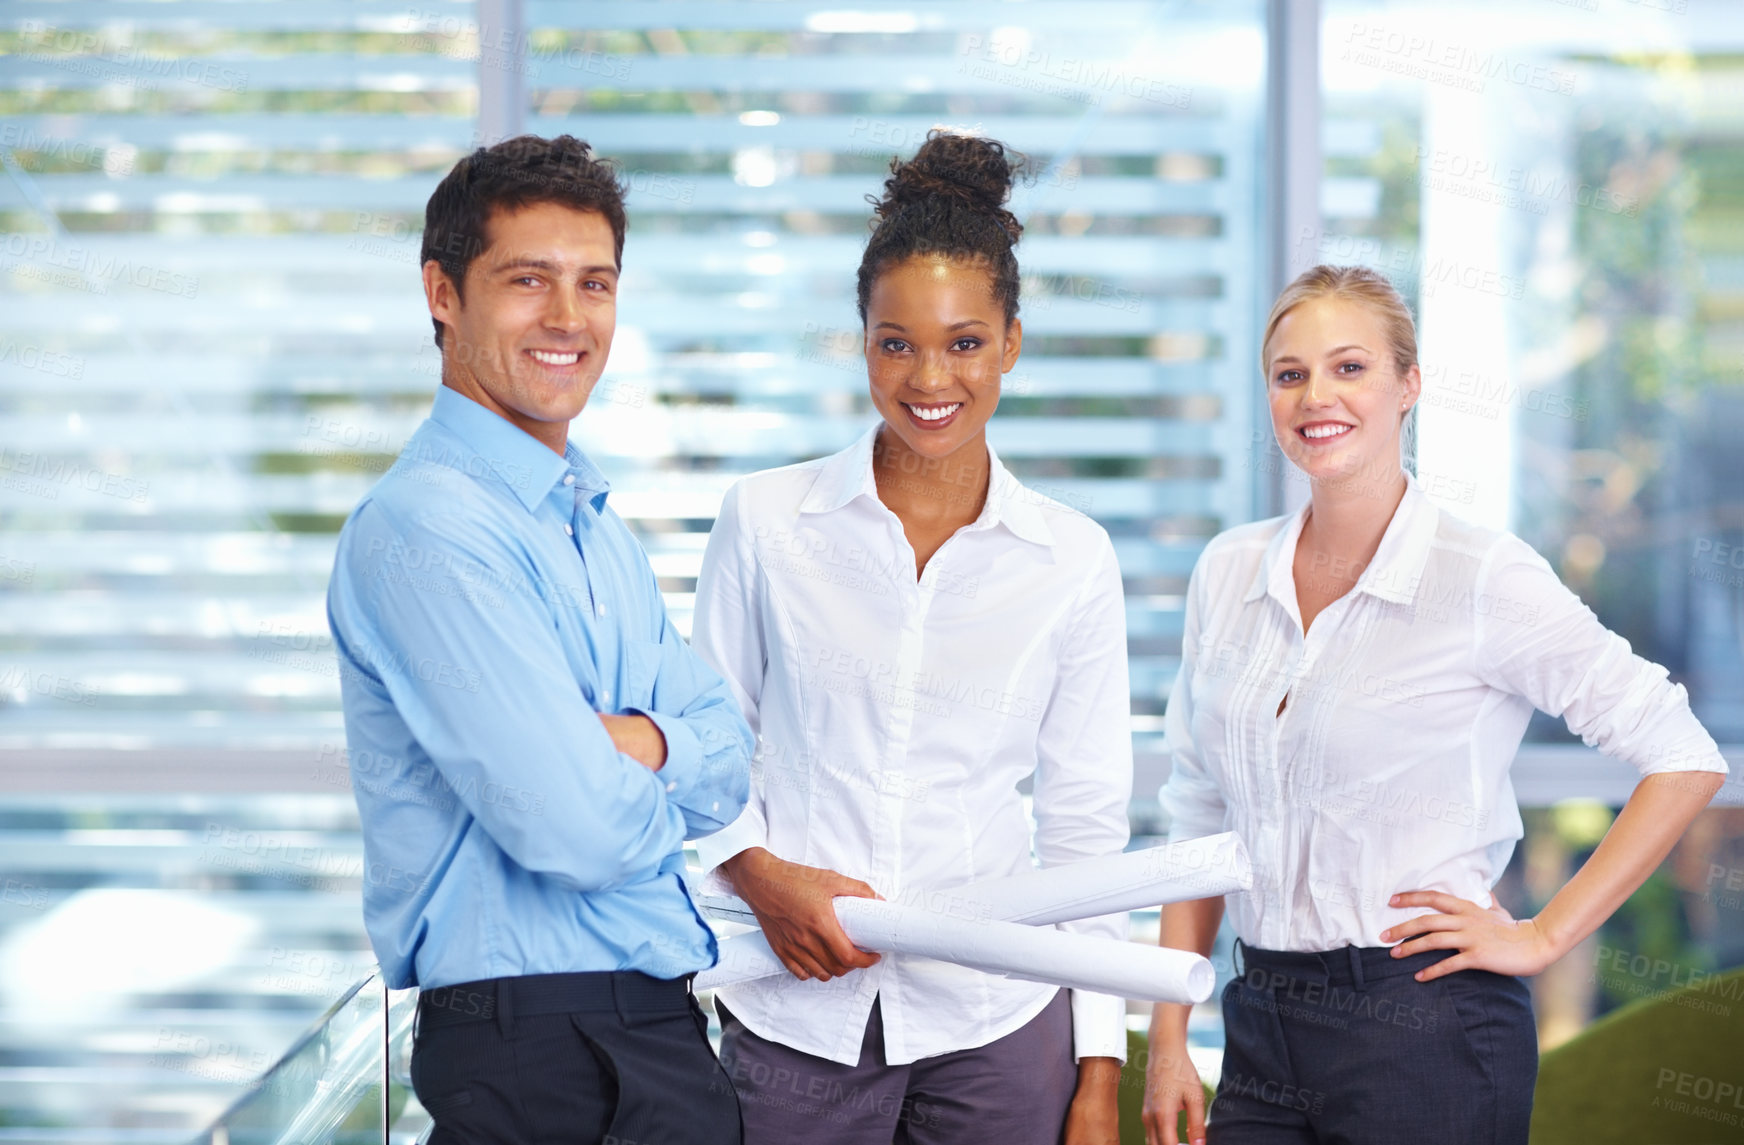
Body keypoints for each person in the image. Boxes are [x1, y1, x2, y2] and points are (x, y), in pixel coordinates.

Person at [1141, 265, 1730, 1145]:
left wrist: (1543, 934)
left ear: (1408, 385)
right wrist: (1167, 1031)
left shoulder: (1482, 576)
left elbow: (1683, 753)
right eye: (1289, 373)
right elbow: (1199, 811)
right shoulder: (1229, 572)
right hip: (1261, 1019)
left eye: (1350, 367)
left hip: (1424, 1026)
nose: (1315, 396)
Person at [689, 130, 1133, 1145]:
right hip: (793, 1011)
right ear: (864, 342)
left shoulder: (1070, 557)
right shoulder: (764, 520)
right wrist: (760, 878)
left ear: (1011, 342)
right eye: (898, 341)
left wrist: (1097, 1067)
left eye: (965, 341)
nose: (931, 376)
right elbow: (704, 759)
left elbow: (1085, 830)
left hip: (999, 1020)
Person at [326, 135, 753, 1145]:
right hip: (540, 1044)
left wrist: (633, 743)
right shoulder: (426, 526)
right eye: (528, 280)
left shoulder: (591, 521)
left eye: (593, 283)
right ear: (442, 292)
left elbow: (731, 758)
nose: (568, 317)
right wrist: (642, 765)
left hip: (650, 1022)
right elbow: (571, 825)